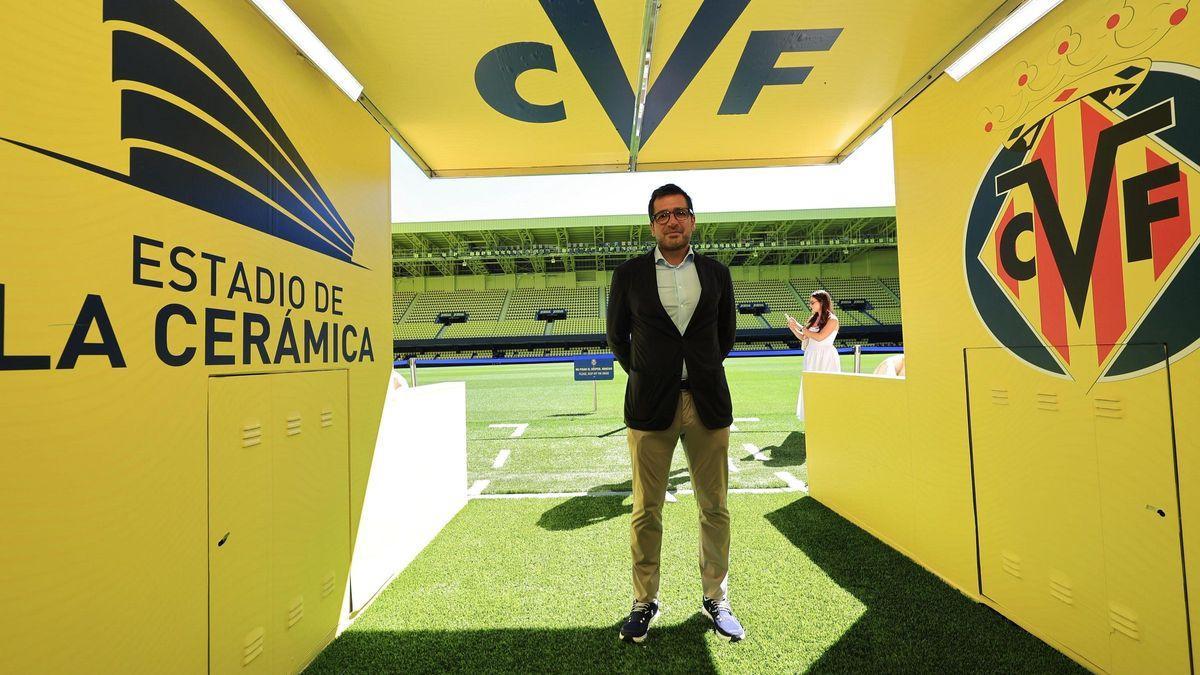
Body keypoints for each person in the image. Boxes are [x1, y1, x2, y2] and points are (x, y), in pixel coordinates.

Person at [606, 184, 745, 644]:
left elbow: (725, 336)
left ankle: (716, 597)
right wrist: (649, 374)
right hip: (650, 406)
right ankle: (644, 601)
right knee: (646, 511)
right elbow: (617, 338)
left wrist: (697, 371)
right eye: (663, 215)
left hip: (707, 403)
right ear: (652, 225)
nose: (672, 221)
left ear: (692, 220)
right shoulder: (628, 275)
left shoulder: (717, 273)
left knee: (715, 508)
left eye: (680, 212)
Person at [786, 290, 840, 422]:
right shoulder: (813, 318)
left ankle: (827, 416)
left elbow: (820, 337)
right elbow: (804, 337)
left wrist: (800, 327)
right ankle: (812, 417)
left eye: (812, 302)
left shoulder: (832, 319)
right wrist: (793, 328)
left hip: (825, 356)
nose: (810, 305)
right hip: (811, 355)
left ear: (822, 302)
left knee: (825, 386)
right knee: (810, 387)